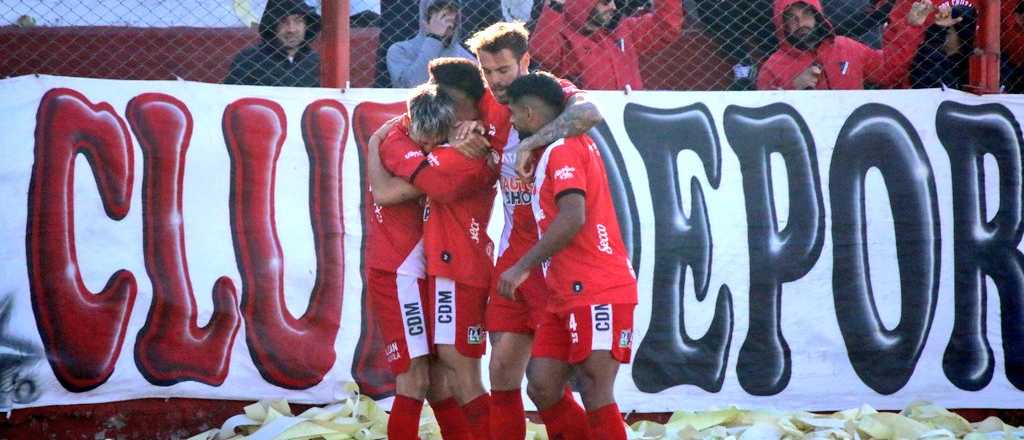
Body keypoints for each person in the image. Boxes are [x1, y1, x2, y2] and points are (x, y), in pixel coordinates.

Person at [464, 21, 605, 440]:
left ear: (526, 61)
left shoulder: (551, 93)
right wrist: (462, 135)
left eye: (504, 70)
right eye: (487, 72)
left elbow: (589, 113)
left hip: (552, 258)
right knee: (501, 371)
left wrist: (530, 142)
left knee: (547, 385)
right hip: (512, 254)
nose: (496, 82)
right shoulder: (486, 105)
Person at [369, 59, 506, 439]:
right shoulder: (407, 135)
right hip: (407, 272)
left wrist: (460, 149)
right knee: (426, 379)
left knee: (451, 377)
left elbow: (410, 187)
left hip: (450, 272)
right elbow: (390, 188)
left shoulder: (463, 144)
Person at [498, 71, 638, 440]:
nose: (510, 122)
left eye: (512, 114)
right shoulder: (558, 145)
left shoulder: (562, 149)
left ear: (529, 113)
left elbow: (573, 216)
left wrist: (521, 267)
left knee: (595, 387)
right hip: (566, 291)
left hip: (596, 287)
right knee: (542, 385)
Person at [756, 0, 943, 90]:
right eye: (791, 19)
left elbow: (888, 71)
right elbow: (766, 121)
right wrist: (792, 88)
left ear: (817, 15)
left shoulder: (846, 47)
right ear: (782, 25)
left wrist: (910, 27)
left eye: (805, 14)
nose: (800, 23)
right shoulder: (771, 68)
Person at [529, 0, 684, 90]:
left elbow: (667, 27)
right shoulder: (562, 35)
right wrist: (554, 8)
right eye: (605, 2)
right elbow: (543, 55)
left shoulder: (623, 31)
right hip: (588, 127)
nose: (613, 7)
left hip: (630, 119)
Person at [224, 0, 321, 87]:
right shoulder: (248, 60)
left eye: (298, 21)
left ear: (307, 26)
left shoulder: (317, 62)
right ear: (272, 26)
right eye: (283, 21)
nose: (291, 29)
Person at [387, 0, 476, 88]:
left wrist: (450, 43)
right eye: (442, 16)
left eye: (451, 19)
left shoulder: (469, 59)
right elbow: (412, 85)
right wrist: (434, 38)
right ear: (425, 21)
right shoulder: (401, 50)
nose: (447, 24)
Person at [911, 2, 974, 89]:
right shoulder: (932, 59)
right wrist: (937, 31)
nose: (944, 36)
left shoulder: (971, 65)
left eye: (947, 32)